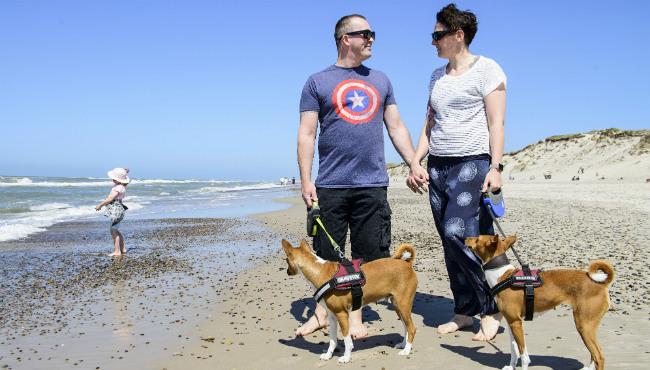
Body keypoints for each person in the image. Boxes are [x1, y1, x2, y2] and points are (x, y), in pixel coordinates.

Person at [296, 14, 416, 338]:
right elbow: (307, 133)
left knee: (368, 255)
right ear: (345, 38)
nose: (372, 39)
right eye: (366, 33)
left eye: (372, 33)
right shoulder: (316, 82)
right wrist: (306, 180)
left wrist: (414, 163)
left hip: (372, 184)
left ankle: (358, 317)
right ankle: (322, 313)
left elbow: (396, 126)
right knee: (326, 257)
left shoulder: (381, 81)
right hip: (330, 184)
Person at [407, 3, 507, 341]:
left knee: (456, 233)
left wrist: (495, 167)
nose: (433, 42)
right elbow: (429, 124)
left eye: (437, 35)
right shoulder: (436, 77)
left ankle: (491, 307)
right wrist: (416, 162)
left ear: (458, 35)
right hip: (438, 165)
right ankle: (464, 311)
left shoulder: (487, 69)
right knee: (452, 243)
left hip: (472, 162)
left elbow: (496, 122)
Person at [96, 167, 131, 256]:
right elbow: (126, 183)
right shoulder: (122, 186)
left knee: (113, 230)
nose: (112, 179)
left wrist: (100, 205)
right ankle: (123, 249)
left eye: (114, 178)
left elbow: (110, 199)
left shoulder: (117, 188)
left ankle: (117, 251)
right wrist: (125, 173)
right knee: (115, 229)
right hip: (120, 209)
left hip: (117, 210)